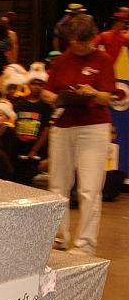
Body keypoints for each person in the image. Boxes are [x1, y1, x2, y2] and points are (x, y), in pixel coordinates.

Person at [42, 14, 116, 255]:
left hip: (93, 128)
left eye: (84, 41)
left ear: (92, 38)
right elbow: (46, 92)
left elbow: (109, 96)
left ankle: (85, 245)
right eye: (75, 41)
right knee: (58, 186)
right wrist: (54, 98)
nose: (80, 46)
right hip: (63, 126)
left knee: (89, 189)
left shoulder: (103, 60)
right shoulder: (62, 60)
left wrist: (92, 92)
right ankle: (60, 237)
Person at [11, 63, 52, 185]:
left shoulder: (46, 107)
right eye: (34, 83)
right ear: (28, 84)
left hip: (36, 152)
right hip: (19, 149)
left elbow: (46, 129)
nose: (37, 87)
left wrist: (35, 150)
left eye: (40, 84)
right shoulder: (18, 104)